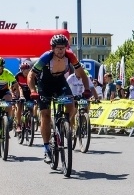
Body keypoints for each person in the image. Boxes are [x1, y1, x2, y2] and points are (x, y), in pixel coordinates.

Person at [27, 34, 93, 163]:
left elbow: (82, 74)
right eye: (58, 48)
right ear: (52, 48)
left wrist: (86, 89)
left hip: (60, 83)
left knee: (71, 105)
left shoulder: (70, 56)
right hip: (44, 84)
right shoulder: (46, 57)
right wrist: (33, 90)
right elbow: (31, 75)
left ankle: (64, 124)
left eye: (63, 48)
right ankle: (46, 148)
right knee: (45, 114)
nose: (60, 51)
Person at [14, 61, 34, 133]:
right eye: (24, 70)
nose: (26, 72)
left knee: (30, 108)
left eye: (28, 70)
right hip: (20, 92)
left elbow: (37, 86)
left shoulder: (32, 76)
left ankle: (29, 122)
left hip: (30, 93)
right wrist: (14, 95)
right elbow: (16, 86)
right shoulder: (18, 76)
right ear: (21, 70)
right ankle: (18, 125)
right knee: (20, 106)